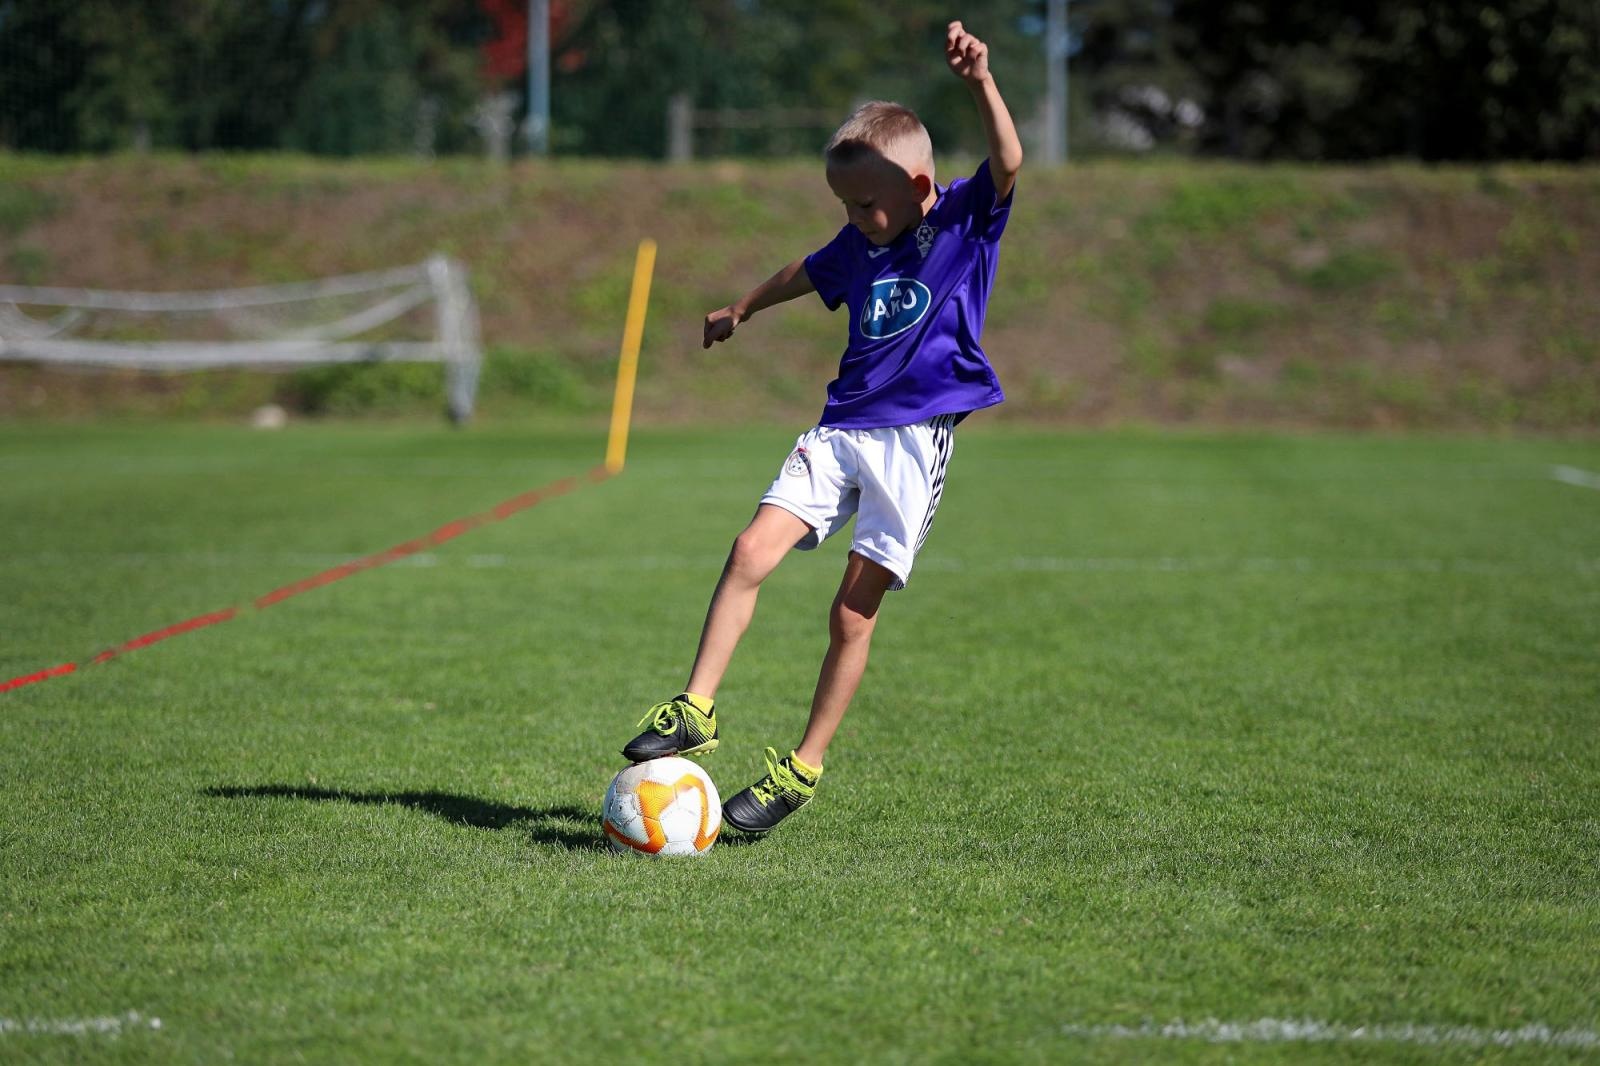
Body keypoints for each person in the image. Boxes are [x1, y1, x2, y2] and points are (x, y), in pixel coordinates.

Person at [623, 20, 1023, 834]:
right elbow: (805, 271)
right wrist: (742, 307)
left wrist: (980, 82)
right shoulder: (858, 243)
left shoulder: (962, 222)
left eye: (866, 204)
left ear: (918, 186)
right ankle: (696, 707)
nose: (856, 217)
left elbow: (1009, 162)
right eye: (844, 205)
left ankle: (802, 767)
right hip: (840, 426)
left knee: (850, 613)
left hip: (912, 442)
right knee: (748, 550)